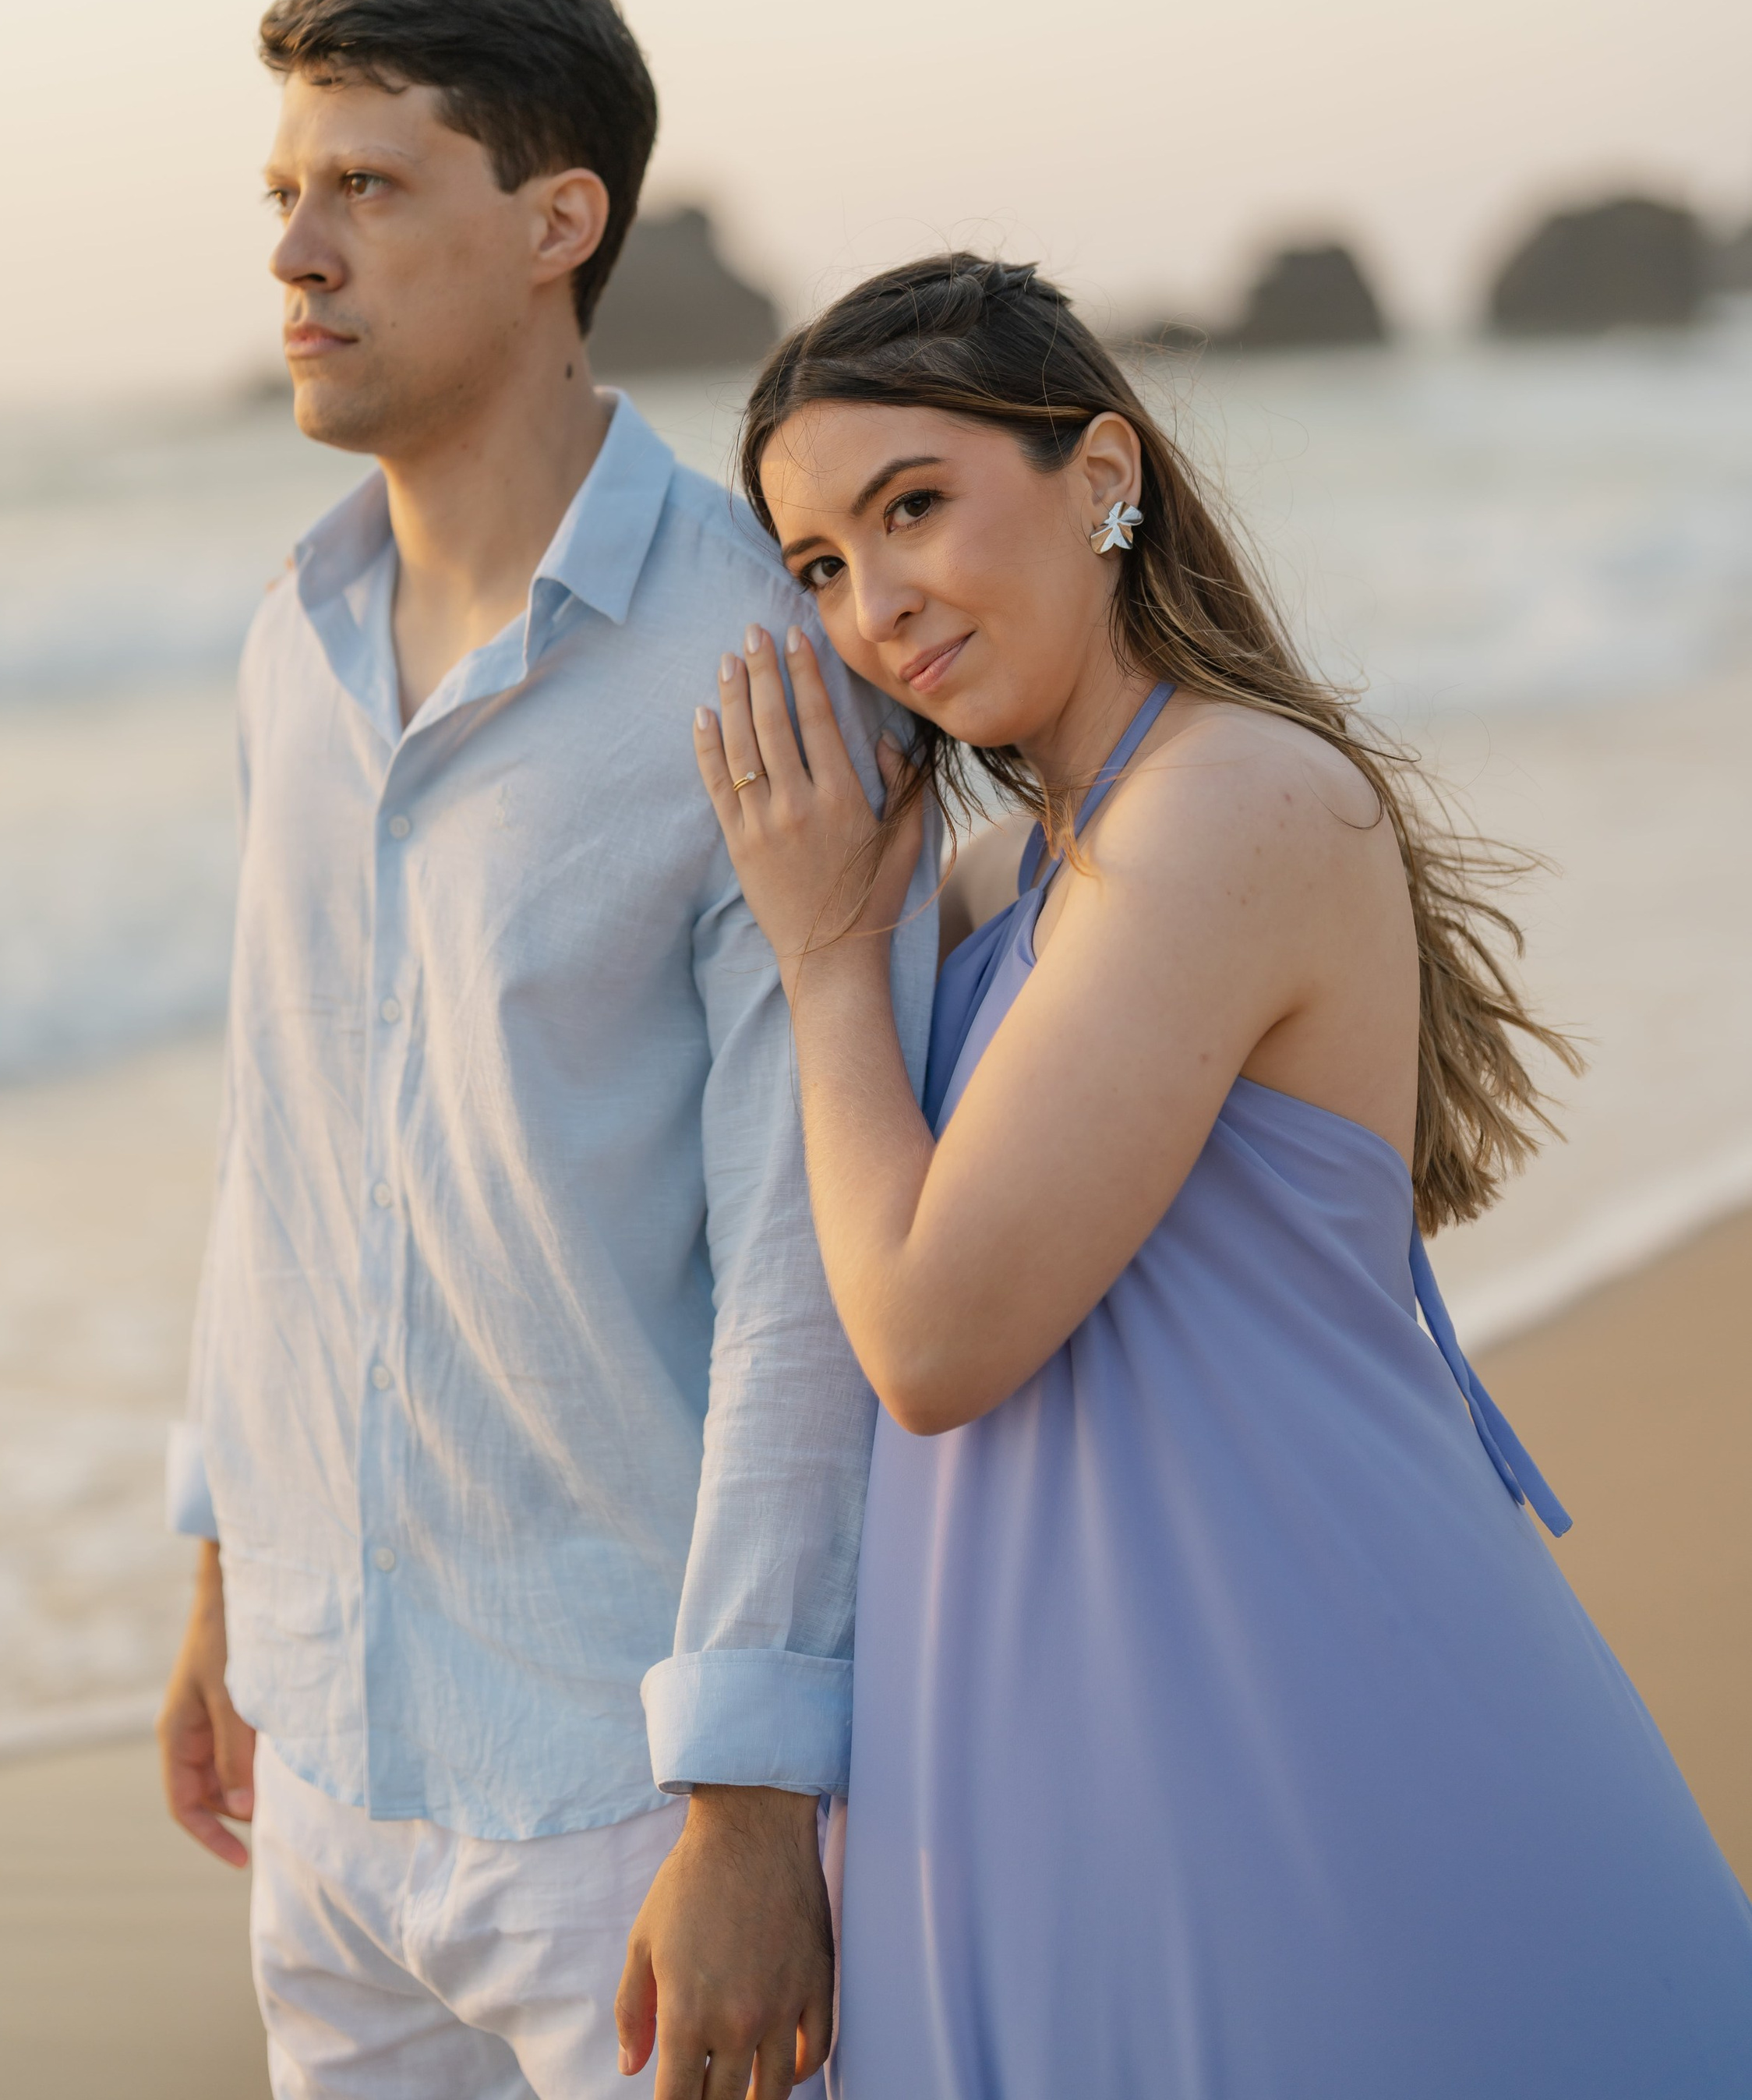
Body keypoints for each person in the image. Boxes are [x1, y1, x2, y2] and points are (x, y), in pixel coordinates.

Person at [694, 250, 1752, 2098]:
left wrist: (816, 963)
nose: (875, 607)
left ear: (1101, 474)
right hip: (1033, 1741)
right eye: (818, 568)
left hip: (1290, 1712)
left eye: (914, 506)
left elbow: (930, 1333)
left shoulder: (1233, 801)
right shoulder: (988, 885)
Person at [156, 0, 932, 2100]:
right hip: (322, 1765)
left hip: (618, 1789)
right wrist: (229, 1565)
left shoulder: (759, 666)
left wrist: (756, 1798)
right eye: (288, 189)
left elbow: (804, 1266)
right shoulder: (289, 637)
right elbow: (279, 1139)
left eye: (375, 187)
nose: (299, 251)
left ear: (557, 221)